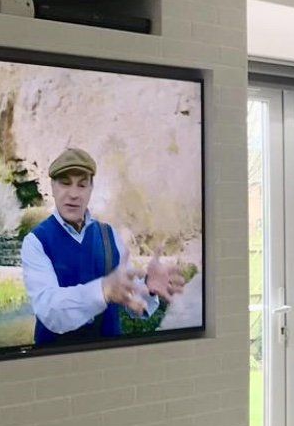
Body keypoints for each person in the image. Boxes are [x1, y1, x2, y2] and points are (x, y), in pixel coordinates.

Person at [19, 147, 186, 346]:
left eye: (82, 185)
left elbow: (130, 295)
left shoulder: (110, 235)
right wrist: (104, 290)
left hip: (110, 356)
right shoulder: (36, 241)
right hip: (54, 360)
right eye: (65, 183)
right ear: (53, 187)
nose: (74, 194)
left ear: (91, 189)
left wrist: (148, 288)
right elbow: (50, 312)